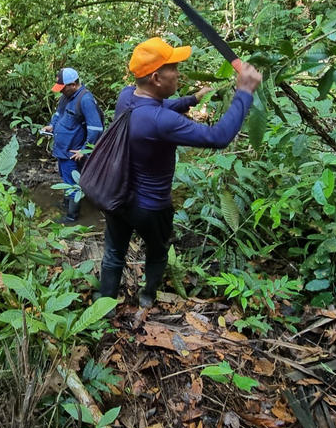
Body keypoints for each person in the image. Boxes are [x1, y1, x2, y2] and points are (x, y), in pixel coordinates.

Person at [100, 37, 262, 306]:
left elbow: (156, 105)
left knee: (114, 251)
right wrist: (244, 92)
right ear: (156, 78)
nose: (179, 73)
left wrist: (192, 99)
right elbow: (218, 137)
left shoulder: (127, 97)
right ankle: (147, 297)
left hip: (117, 196)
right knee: (158, 251)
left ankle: (103, 305)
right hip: (151, 207)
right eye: (173, 67)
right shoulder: (162, 122)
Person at [41, 67, 104, 223]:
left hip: (72, 151)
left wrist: (84, 150)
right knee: (65, 179)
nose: (61, 91)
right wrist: (52, 125)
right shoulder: (66, 97)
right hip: (62, 150)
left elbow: (96, 128)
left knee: (72, 183)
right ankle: (66, 205)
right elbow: (59, 114)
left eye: (63, 88)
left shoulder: (85, 99)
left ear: (73, 84)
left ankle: (71, 216)